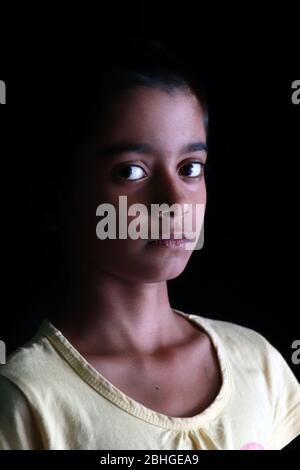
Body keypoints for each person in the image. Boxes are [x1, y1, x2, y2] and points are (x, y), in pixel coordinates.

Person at [0, 38, 299, 451]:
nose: (175, 202)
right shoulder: (29, 399)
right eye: (131, 171)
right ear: (59, 195)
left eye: (190, 168)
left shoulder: (259, 364)